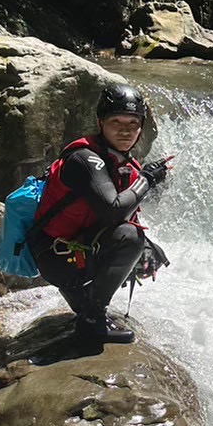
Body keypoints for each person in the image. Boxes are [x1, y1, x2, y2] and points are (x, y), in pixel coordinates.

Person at [29, 85, 172, 353]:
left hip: (73, 247)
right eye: (115, 121)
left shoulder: (122, 163)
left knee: (142, 244)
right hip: (54, 254)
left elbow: (115, 219)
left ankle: (84, 305)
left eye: (133, 123)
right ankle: (92, 319)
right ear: (100, 123)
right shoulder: (85, 159)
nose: (125, 130)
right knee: (131, 239)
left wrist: (147, 248)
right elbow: (113, 210)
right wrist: (148, 180)